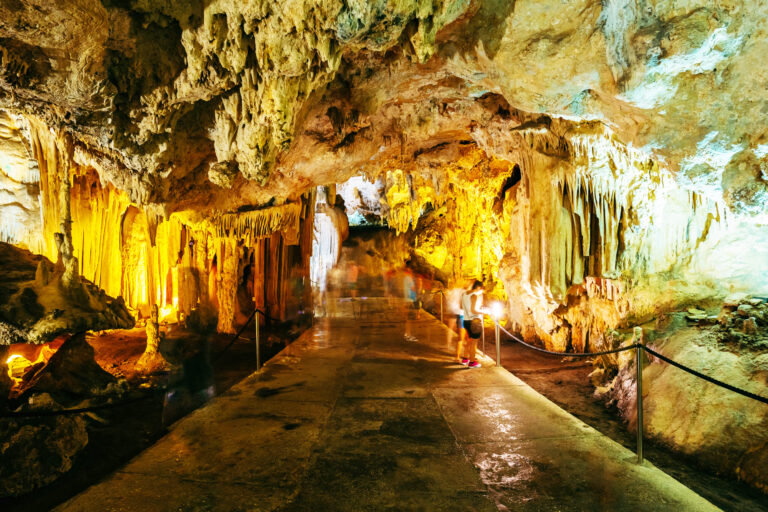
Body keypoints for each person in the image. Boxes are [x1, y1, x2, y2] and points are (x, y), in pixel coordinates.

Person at [458, 280, 484, 368]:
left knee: (468, 341)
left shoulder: (464, 294)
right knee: (474, 343)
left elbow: (461, 307)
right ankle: (472, 362)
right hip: (474, 321)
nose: (481, 291)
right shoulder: (474, 296)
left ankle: (465, 359)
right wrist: (484, 312)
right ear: (478, 287)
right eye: (481, 289)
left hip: (466, 320)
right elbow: (473, 310)